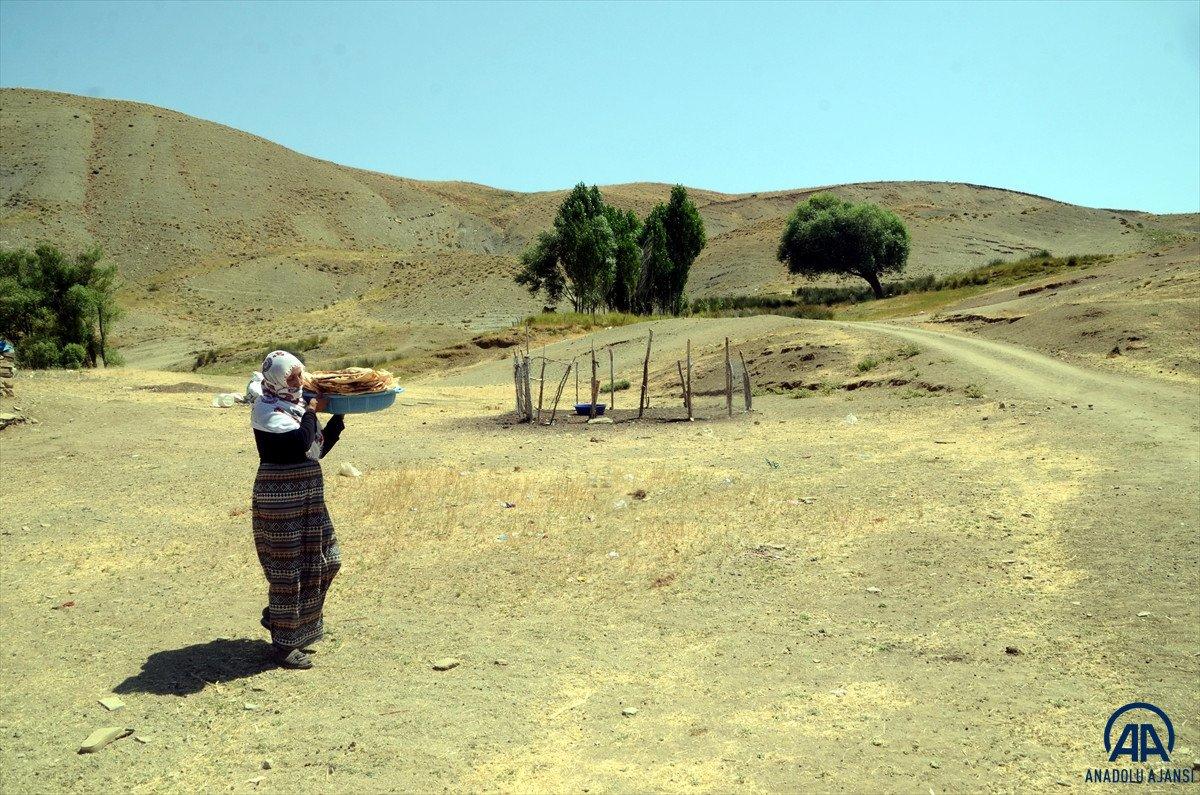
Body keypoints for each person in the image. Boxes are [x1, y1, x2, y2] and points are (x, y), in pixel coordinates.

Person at [249, 350, 345, 669]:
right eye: (292, 377)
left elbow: (316, 450)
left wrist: (338, 418)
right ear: (275, 378)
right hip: (281, 498)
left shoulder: (294, 407)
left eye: (299, 376)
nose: (298, 382)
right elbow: (302, 441)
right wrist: (313, 410)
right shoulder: (267, 409)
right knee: (288, 571)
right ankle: (285, 645)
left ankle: (280, 617)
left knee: (328, 560)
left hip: (308, 495)